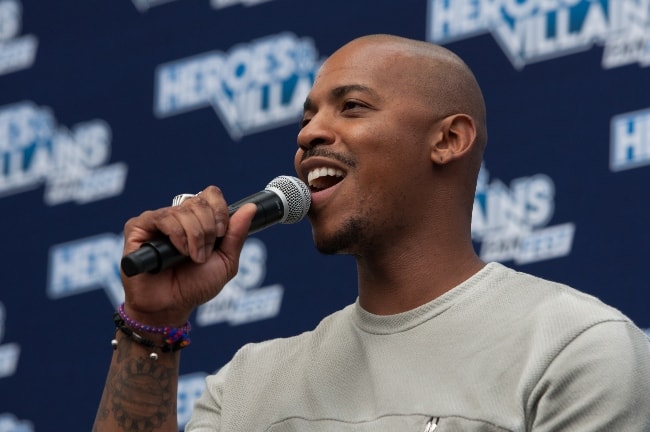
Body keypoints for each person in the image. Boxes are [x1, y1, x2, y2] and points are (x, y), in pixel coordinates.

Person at [93, 34, 650, 432]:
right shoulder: (247, 387)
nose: (311, 132)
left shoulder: (571, 347)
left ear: (448, 140)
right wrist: (153, 325)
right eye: (305, 119)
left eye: (352, 107)